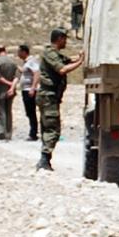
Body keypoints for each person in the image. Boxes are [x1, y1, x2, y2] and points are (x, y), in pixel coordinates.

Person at [33, 28, 85, 171]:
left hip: (49, 96)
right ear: (59, 38)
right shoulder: (49, 53)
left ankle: (45, 159)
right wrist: (80, 62)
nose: (66, 42)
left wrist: (79, 57)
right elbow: (62, 69)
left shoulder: (54, 54)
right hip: (48, 96)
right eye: (65, 39)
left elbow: (67, 60)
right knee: (52, 129)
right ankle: (44, 160)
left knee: (47, 128)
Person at [0, 46, 19, 140]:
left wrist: (8, 83)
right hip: (11, 90)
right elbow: (17, 76)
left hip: (0, 90)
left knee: (1, 111)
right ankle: (9, 133)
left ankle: (2, 132)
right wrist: (12, 86)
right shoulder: (12, 61)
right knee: (8, 111)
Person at [17, 44, 40, 141]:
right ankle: (33, 131)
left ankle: (33, 133)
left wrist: (33, 87)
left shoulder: (31, 61)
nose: (18, 54)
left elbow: (36, 73)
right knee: (29, 112)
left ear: (24, 52)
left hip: (29, 90)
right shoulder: (26, 62)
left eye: (19, 52)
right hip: (25, 89)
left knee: (31, 112)